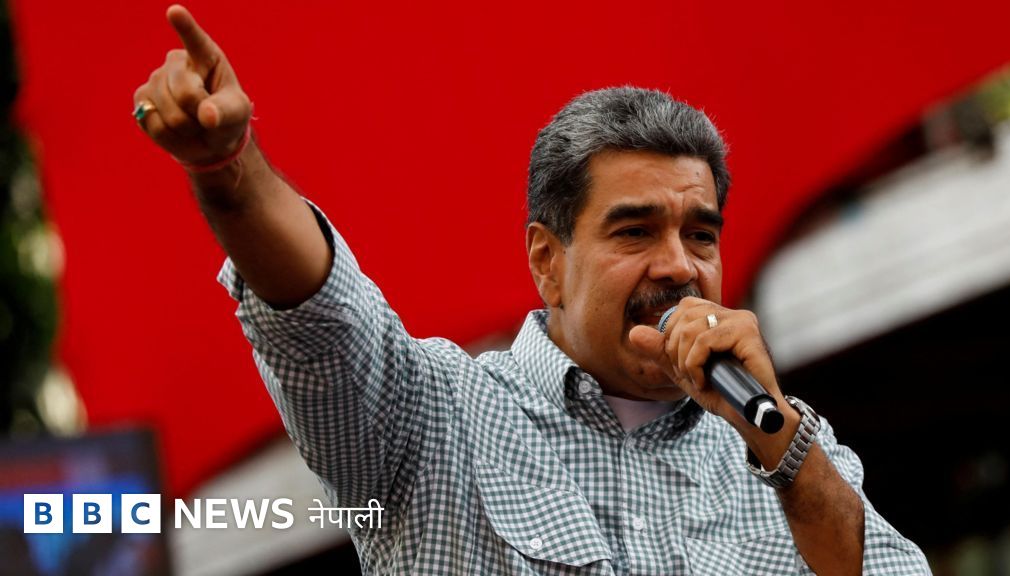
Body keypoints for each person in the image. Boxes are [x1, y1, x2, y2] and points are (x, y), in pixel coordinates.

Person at [133, 5, 931, 575]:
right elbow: (320, 316)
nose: (680, 266)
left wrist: (786, 452)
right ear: (547, 261)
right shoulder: (433, 417)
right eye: (634, 232)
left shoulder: (783, 449)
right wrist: (228, 169)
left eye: (700, 234)